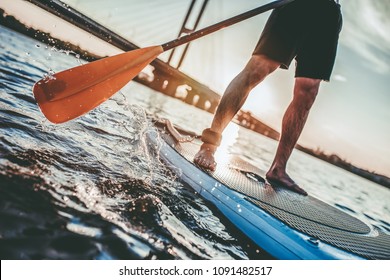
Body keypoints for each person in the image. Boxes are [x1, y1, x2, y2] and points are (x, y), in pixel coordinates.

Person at [194, 0, 342, 196]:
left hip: (328, 13)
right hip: (297, 5)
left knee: (308, 90)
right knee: (258, 68)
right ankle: (209, 145)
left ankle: (278, 169)